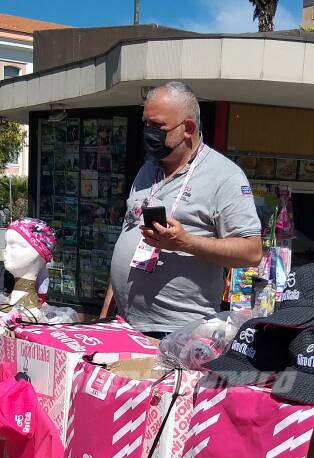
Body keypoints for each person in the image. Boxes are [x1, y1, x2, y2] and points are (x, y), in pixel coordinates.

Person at [110, 81, 262, 335]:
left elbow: (251, 252)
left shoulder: (225, 176)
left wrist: (186, 242)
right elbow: (129, 235)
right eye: (146, 124)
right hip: (126, 324)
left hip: (179, 333)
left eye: (157, 126)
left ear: (188, 128)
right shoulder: (148, 168)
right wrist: (110, 309)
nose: (148, 133)